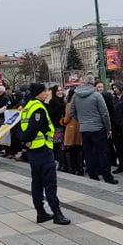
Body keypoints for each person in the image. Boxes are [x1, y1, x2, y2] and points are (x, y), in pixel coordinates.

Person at [20, 82, 71, 225]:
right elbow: (33, 128)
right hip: (42, 150)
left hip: (33, 152)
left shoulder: (27, 107)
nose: (47, 93)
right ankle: (57, 213)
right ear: (39, 93)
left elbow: (20, 126)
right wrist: (26, 140)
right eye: (45, 91)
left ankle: (40, 213)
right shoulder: (38, 108)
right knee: (50, 183)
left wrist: (24, 142)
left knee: (37, 182)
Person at [72, 75, 117, 183]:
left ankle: (92, 175)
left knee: (88, 153)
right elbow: (104, 113)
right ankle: (107, 177)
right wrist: (108, 128)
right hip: (98, 128)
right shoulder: (96, 95)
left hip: (84, 128)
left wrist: (81, 121)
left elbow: (73, 112)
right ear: (93, 83)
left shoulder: (75, 96)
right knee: (102, 153)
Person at [61, 92, 83, 175]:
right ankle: (80, 168)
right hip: (80, 127)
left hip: (71, 129)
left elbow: (67, 119)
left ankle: (71, 168)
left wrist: (62, 121)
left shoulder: (69, 105)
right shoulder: (81, 103)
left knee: (69, 149)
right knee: (79, 148)